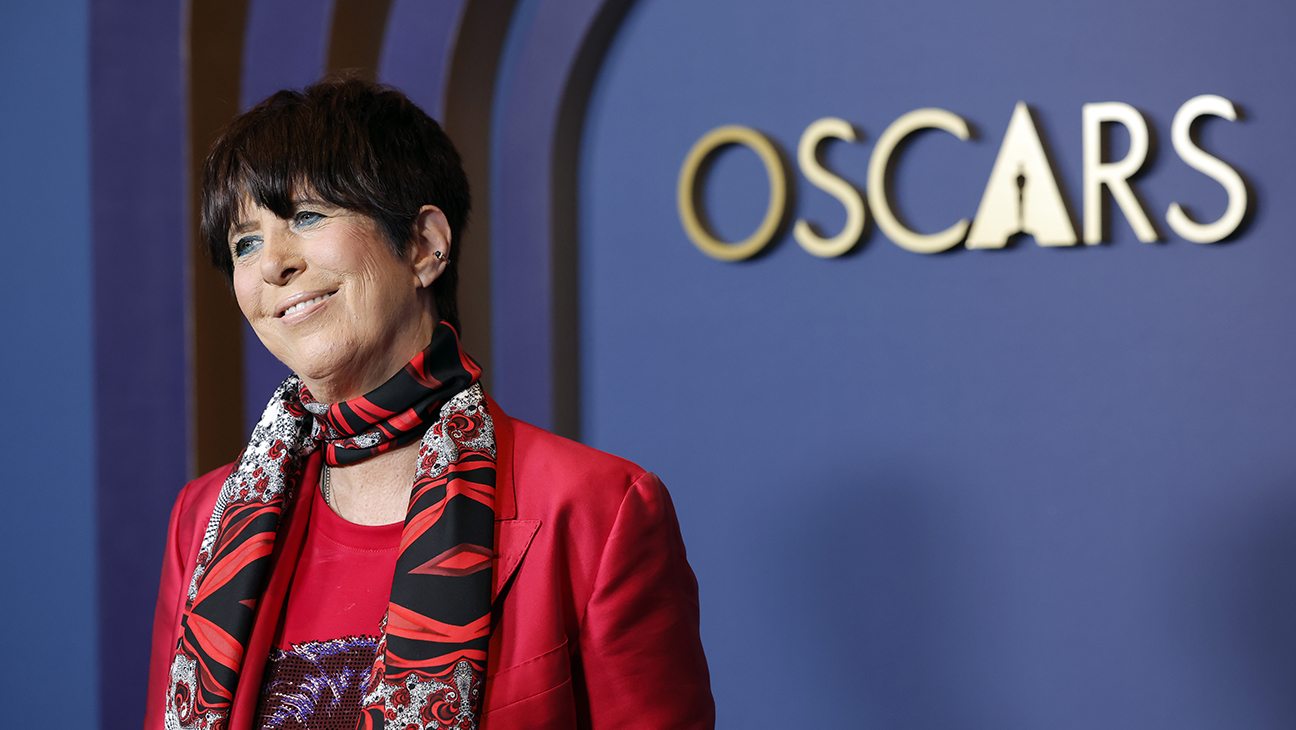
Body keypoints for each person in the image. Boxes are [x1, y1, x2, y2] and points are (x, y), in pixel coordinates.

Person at [144, 78, 713, 730]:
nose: (272, 264)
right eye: (244, 242)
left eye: (306, 216)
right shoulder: (203, 520)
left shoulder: (596, 511)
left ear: (422, 245)